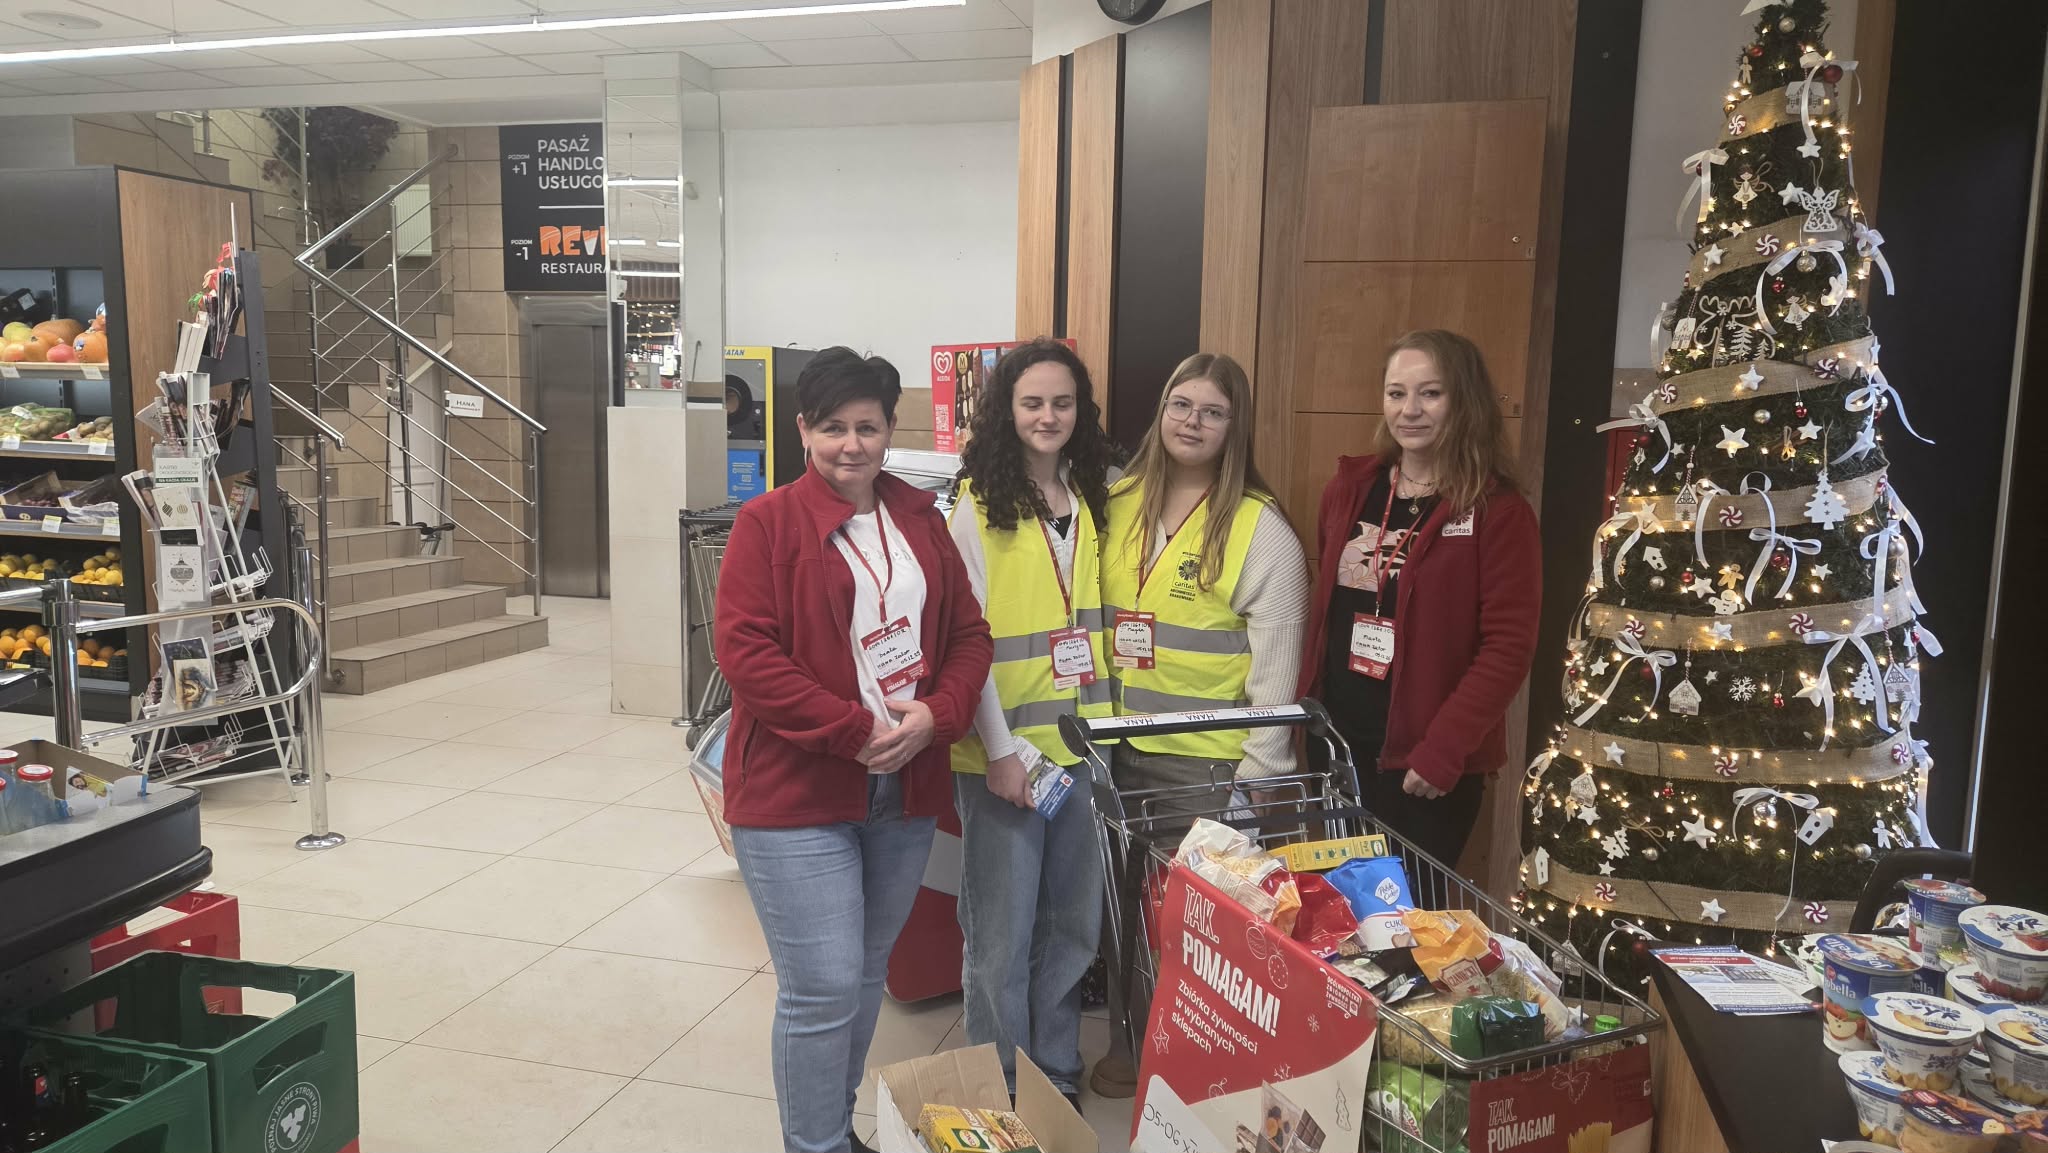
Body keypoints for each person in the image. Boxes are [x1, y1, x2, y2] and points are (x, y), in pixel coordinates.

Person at [714, 347, 993, 1153]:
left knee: (866, 974)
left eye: (867, 427)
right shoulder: (768, 523)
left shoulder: (919, 518)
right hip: (796, 790)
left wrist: (936, 714)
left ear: (889, 429)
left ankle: (832, 1131)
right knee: (823, 985)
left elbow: (969, 636)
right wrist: (854, 730)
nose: (851, 444)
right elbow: (747, 654)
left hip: (903, 788)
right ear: (804, 429)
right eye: (833, 427)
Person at [1089, 351, 1309, 1099]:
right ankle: (1129, 1045)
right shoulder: (1115, 501)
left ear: (1234, 427)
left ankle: (1192, 1068)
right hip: (1113, 752)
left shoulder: (1260, 529)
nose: (1192, 422)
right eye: (1180, 405)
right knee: (1119, 915)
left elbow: (1277, 671)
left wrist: (1260, 775)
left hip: (1206, 766)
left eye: (1213, 412)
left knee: (1196, 927)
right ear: (1162, 411)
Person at [947, 338, 1120, 1106]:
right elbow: (966, 639)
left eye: (1062, 402)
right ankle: (1000, 1083)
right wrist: (999, 751)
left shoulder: (1086, 496)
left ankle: (1054, 1072)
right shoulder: (977, 506)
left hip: (1080, 753)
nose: (1048, 416)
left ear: (1080, 410)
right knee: (1002, 935)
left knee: (1073, 926)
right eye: (1032, 402)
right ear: (1006, 411)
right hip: (1007, 756)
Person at [1297, 329, 1541, 866]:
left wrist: (1444, 749)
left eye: (1430, 393)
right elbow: (1330, 610)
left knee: (1406, 915)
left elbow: (1508, 647)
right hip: (1337, 747)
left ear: (1464, 401)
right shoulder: (1350, 488)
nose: (1409, 410)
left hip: (1422, 766)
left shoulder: (1498, 511)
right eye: (1396, 393)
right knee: (1333, 908)